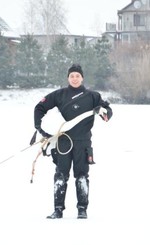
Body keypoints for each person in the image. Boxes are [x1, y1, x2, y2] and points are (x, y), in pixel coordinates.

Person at [34, 64, 113, 219]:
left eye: (77, 76)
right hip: (63, 142)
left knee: (82, 176)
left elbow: (107, 110)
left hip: (83, 142)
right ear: (68, 78)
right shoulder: (59, 95)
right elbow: (39, 108)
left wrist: (105, 114)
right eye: (72, 76)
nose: (75, 79)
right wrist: (40, 128)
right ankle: (58, 210)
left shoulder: (93, 96)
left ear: (82, 78)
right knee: (61, 176)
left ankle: (82, 210)